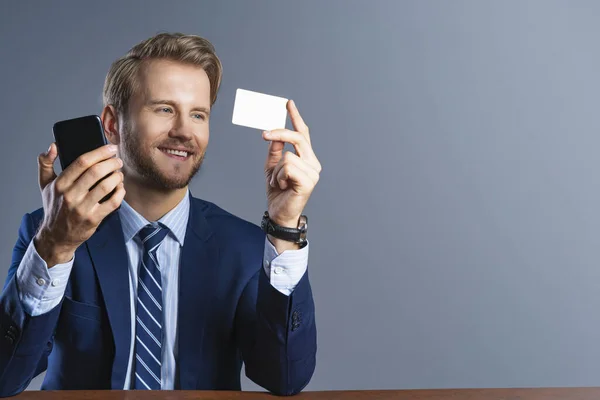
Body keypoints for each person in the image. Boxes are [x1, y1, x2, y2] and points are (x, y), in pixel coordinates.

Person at [0, 32, 321, 397]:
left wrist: (285, 227)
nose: (184, 131)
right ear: (111, 124)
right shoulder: (47, 234)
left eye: (198, 114)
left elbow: (285, 378)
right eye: (164, 109)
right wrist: (54, 248)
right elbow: (5, 377)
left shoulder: (244, 248)